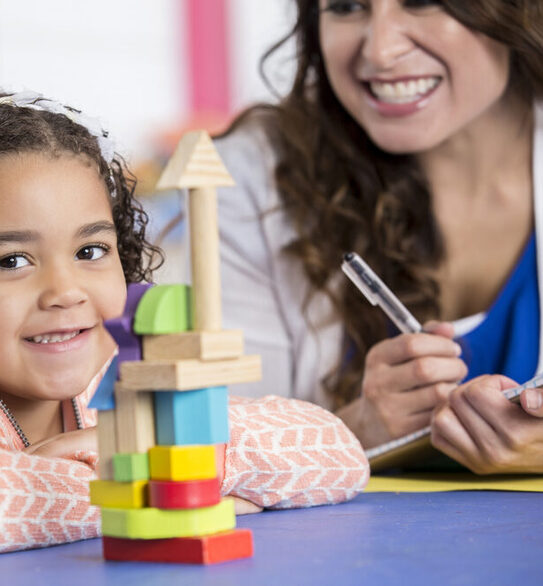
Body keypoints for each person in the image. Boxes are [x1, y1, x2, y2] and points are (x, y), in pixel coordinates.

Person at [0, 90, 369, 578]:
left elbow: (335, 452)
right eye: (11, 261)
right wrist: (157, 492)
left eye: (91, 250)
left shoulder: (117, 372)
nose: (65, 290)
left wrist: (179, 474)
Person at [216, 0, 543, 474]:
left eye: (422, 2)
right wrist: (351, 431)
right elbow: (205, 453)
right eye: (346, 7)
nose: (382, 50)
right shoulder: (253, 176)